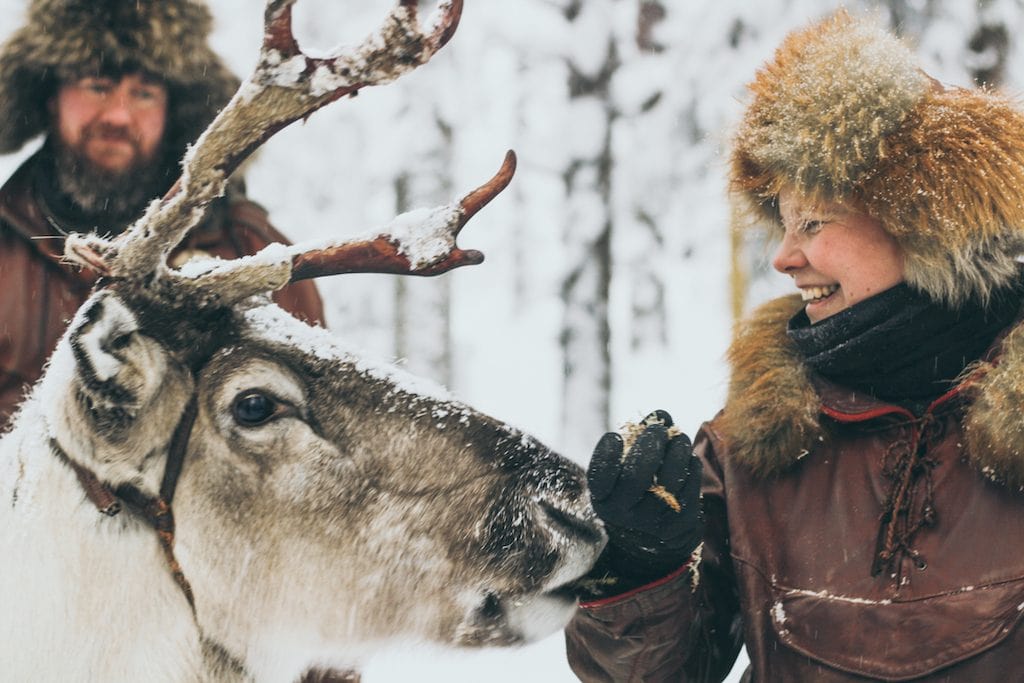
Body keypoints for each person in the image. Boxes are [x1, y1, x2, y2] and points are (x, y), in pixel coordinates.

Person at [566, 10, 1024, 680]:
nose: (783, 257)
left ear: (921, 218)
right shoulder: (751, 446)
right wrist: (642, 568)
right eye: (782, 224)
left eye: (813, 220)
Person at [0, 0, 325, 428]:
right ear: (49, 97)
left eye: (143, 93)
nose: (118, 114)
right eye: (98, 85)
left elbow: (313, 426)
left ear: (175, 112)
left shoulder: (251, 251)